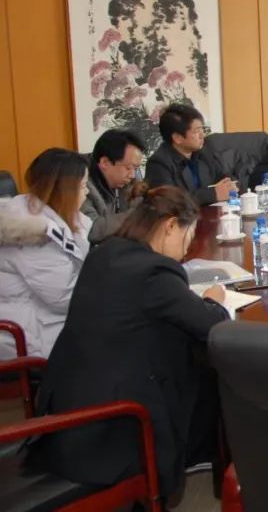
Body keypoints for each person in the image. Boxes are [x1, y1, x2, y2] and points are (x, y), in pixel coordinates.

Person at [28, 187, 230, 501]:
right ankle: (207, 458)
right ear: (170, 226)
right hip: (109, 430)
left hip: (66, 414)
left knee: (184, 352)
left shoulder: (105, 253)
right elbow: (212, 325)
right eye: (187, 238)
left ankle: (198, 452)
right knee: (205, 367)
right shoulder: (154, 273)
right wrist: (213, 300)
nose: (185, 251)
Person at [0, 149, 90, 359]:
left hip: (47, 320)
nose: (87, 193)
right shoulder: (30, 232)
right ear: (65, 190)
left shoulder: (52, 215)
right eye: (83, 186)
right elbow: (63, 298)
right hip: (31, 333)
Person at [145, 103, 235, 206]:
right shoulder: (159, 164)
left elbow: (226, 176)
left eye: (202, 129)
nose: (202, 135)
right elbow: (168, 201)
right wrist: (213, 194)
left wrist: (230, 185)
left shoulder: (204, 151)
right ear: (177, 138)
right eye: (197, 131)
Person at [82, 128, 146, 243]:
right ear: (105, 162)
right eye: (128, 168)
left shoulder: (128, 178)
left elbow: (141, 203)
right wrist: (138, 214)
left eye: (136, 168)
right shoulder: (81, 184)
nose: (132, 175)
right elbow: (92, 230)